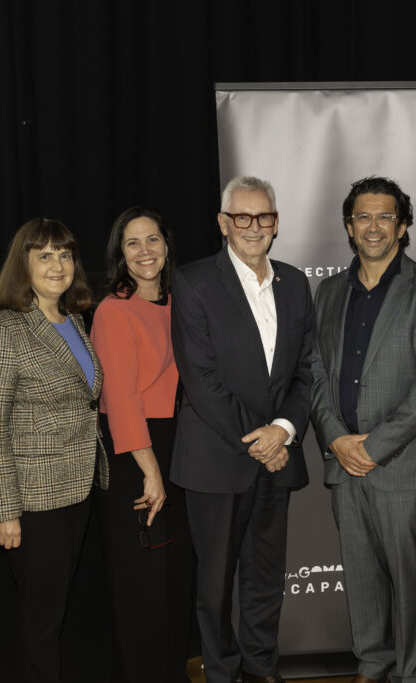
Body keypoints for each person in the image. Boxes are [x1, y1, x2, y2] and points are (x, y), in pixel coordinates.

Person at [311, 176, 416, 683]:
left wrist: (374, 447)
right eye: (363, 217)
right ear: (349, 226)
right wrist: (335, 437)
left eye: (385, 217)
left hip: (405, 464)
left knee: (408, 582)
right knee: (362, 579)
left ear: (402, 227)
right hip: (344, 461)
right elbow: (315, 371)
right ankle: (372, 666)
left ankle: (411, 673)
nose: (373, 227)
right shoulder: (329, 292)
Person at [170, 177, 314, 683]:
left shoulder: (294, 283)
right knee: (215, 587)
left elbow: (306, 370)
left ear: (276, 222)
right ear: (223, 223)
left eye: (264, 217)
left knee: (265, 579)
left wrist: (284, 430)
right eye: (242, 217)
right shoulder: (193, 282)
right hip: (217, 459)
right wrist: (262, 440)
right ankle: (222, 673)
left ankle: (261, 668)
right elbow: (202, 380)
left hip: (277, 456)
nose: (254, 227)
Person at [0, 218, 107, 683]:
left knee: (54, 611)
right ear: (22, 264)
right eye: (44, 255)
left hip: (77, 490)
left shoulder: (75, 321)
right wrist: (4, 511)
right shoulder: (3, 330)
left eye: (65, 254)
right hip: (32, 502)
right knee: (41, 618)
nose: (57, 265)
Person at [91, 207, 193, 683]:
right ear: (120, 253)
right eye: (132, 242)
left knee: (174, 575)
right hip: (135, 453)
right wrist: (151, 471)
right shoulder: (114, 310)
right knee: (142, 580)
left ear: (167, 246)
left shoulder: (180, 301)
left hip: (176, 447)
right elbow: (121, 400)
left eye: (153, 239)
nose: (144, 251)